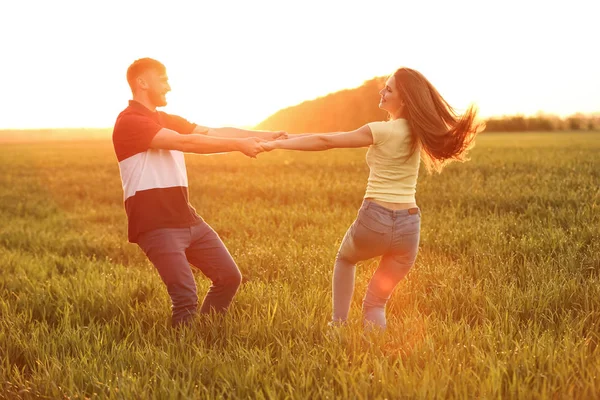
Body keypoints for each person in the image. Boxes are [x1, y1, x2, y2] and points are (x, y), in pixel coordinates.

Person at [261, 67, 484, 329]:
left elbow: (326, 140)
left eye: (389, 89)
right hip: (409, 227)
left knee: (345, 259)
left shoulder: (381, 130)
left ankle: (338, 326)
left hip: (375, 219)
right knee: (375, 304)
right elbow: (327, 137)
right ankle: (377, 355)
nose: (382, 91)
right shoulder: (417, 132)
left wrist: (277, 144)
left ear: (404, 100)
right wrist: (286, 137)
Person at [112, 58, 285, 327]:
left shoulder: (165, 119)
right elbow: (187, 142)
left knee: (229, 277)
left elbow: (212, 131)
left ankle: (205, 334)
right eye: (164, 79)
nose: (169, 86)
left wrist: (266, 135)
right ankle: (181, 360)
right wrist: (239, 145)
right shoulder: (130, 122)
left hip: (187, 219)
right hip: (155, 224)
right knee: (185, 298)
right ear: (142, 83)